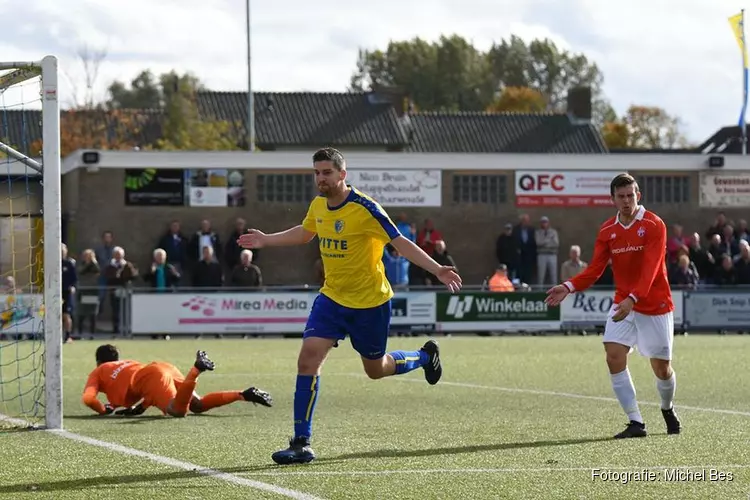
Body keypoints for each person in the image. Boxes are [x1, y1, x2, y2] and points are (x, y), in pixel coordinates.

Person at [238, 147, 462, 465]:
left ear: (343, 174)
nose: (321, 179)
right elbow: (306, 232)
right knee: (308, 359)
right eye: (316, 173)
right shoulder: (318, 205)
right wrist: (266, 240)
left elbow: (400, 243)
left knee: (376, 369)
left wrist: (437, 269)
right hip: (331, 299)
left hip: (370, 303)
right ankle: (301, 443)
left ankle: (425, 356)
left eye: (327, 172)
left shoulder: (365, 208)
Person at [545, 173, 680, 439]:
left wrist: (635, 298)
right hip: (623, 302)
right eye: (621, 196)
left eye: (631, 195)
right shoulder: (608, 230)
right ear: (613, 200)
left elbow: (652, 269)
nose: (627, 201)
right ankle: (636, 422)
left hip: (654, 303)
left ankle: (667, 407)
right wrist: (569, 286)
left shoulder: (654, 224)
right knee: (613, 355)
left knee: (661, 369)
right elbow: (594, 269)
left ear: (638, 195)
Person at [82, 344, 273, 417]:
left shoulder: (98, 371)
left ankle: (196, 370)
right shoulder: (129, 362)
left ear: (99, 361)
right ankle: (243, 394)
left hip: (151, 376)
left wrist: (103, 408)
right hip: (163, 368)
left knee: (177, 410)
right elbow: (149, 392)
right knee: (197, 405)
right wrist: (139, 408)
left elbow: (89, 398)